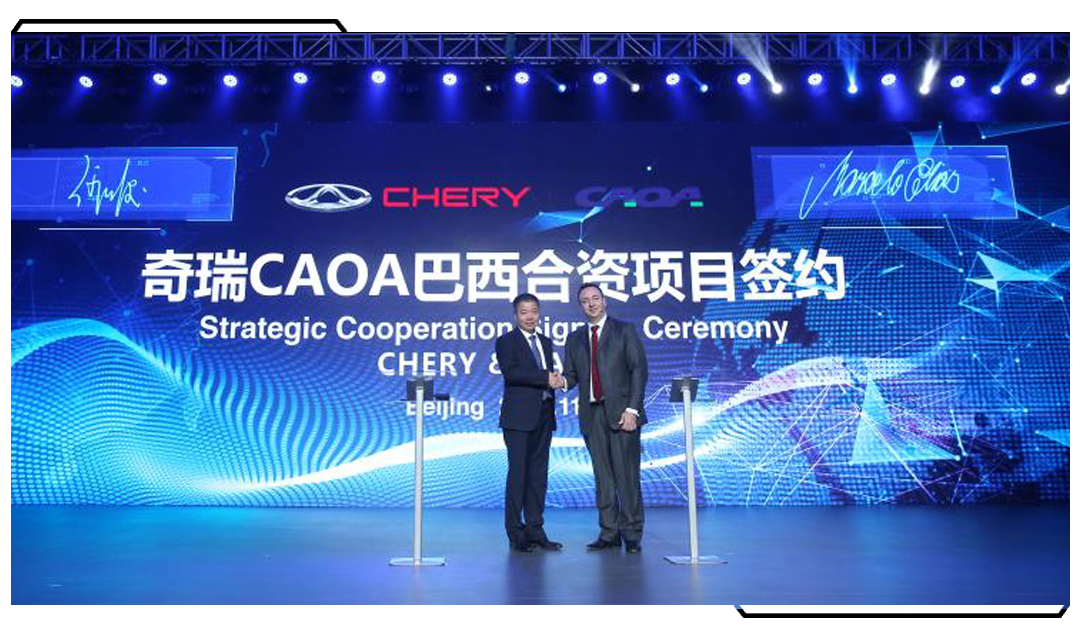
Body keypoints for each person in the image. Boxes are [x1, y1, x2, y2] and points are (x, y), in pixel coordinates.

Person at [560, 283, 648, 553]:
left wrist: (632, 410)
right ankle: (609, 532)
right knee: (603, 478)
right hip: (592, 415)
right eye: (585, 300)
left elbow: (638, 370)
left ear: (604, 301)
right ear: (580, 306)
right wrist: (560, 381)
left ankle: (631, 533)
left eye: (595, 298)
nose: (591, 303)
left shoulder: (624, 331)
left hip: (622, 414)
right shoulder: (574, 338)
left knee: (626, 476)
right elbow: (571, 376)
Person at [495, 292, 565, 553]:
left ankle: (536, 529)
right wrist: (546, 378)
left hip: (544, 416)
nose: (529, 316)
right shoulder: (506, 341)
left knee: (538, 477)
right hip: (518, 419)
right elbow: (512, 373)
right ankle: (516, 533)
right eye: (524, 312)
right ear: (516, 315)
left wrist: (555, 380)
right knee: (518, 476)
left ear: (539, 313)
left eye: (534, 311)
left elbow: (547, 377)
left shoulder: (545, 342)